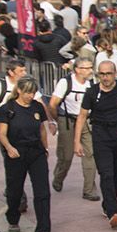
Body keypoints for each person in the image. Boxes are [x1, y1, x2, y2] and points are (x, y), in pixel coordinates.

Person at [76, 60, 117, 229]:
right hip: (101, 134)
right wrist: (77, 141)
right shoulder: (92, 92)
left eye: (108, 73)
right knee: (106, 173)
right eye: (102, 74)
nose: (105, 77)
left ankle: (108, 204)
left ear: (115, 74)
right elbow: (82, 116)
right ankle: (113, 212)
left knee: (116, 174)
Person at [0, 75, 52, 232]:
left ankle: (43, 230)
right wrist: (9, 148)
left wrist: (45, 148)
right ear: (19, 90)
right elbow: (2, 133)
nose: (30, 96)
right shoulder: (7, 109)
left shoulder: (37, 108)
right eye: (27, 92)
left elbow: (41, 129)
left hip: (36, 152)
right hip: (16, 152)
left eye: (33, 92)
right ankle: (13, 217)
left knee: (42, 191)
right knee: (15, 189)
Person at [47, 57, 98, 200]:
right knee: (66, 156)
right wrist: (58, 121)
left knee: (90, 154)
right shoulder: (66, 82)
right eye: (86, 68)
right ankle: (58, 178)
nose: (90, 71)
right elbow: (52, 104)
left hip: (86, 121)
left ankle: (88, 189)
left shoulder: (92, 83)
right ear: (77, 69)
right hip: (68, 120)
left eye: (90, 67)